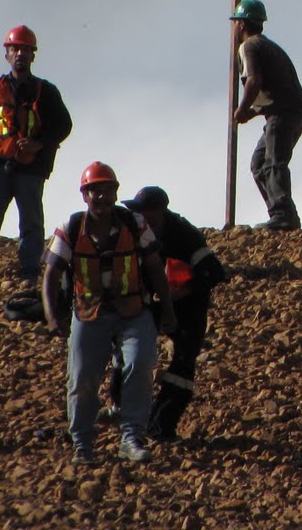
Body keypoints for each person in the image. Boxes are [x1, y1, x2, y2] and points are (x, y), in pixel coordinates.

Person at [43, 162, 176, 465]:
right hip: (89, 313)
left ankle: (132, 438)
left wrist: (167, 310)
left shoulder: (134, 223)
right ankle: (82, 444)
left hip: (133, 309)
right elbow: (51, 274)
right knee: (82, 377)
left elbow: (155, 266)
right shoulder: (71, 228)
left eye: (107, 190)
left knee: (140, 364)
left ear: (116, 192)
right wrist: (52, 317)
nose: (101, 196)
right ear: (84, 195)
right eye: (95, 191)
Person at [0, 25, 73, 293]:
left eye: (25, 49)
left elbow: (64, 125)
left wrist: (39, 143)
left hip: (31, 169)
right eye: (15, 49)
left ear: (33, 55)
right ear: (7, 55)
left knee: (31, 224)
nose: (20, 54)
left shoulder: (46, 91)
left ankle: (29, 275)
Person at [112, 187, 226, 441]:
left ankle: (161, 428)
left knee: (183, 366)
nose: (144, 220)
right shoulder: (132, 231)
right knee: (127, 349)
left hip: (189, 307)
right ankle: (121, 408)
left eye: (149, 215)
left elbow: (214, 272)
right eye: (140, 214)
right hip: (149, 303)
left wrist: (183, 291)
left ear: (162, 212)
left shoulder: (185, 234)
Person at [230, 0, 302, 230]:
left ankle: (283, 216)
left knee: (273, 162)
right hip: (288, 111)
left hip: (284, 113)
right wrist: (252, 112)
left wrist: (242, 109)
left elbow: (254, 81)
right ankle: (281, 213)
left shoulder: (249, 46)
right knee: (259, 163)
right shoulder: (266, 46)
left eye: (235, 23)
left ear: (241, 24)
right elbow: (274, 90)